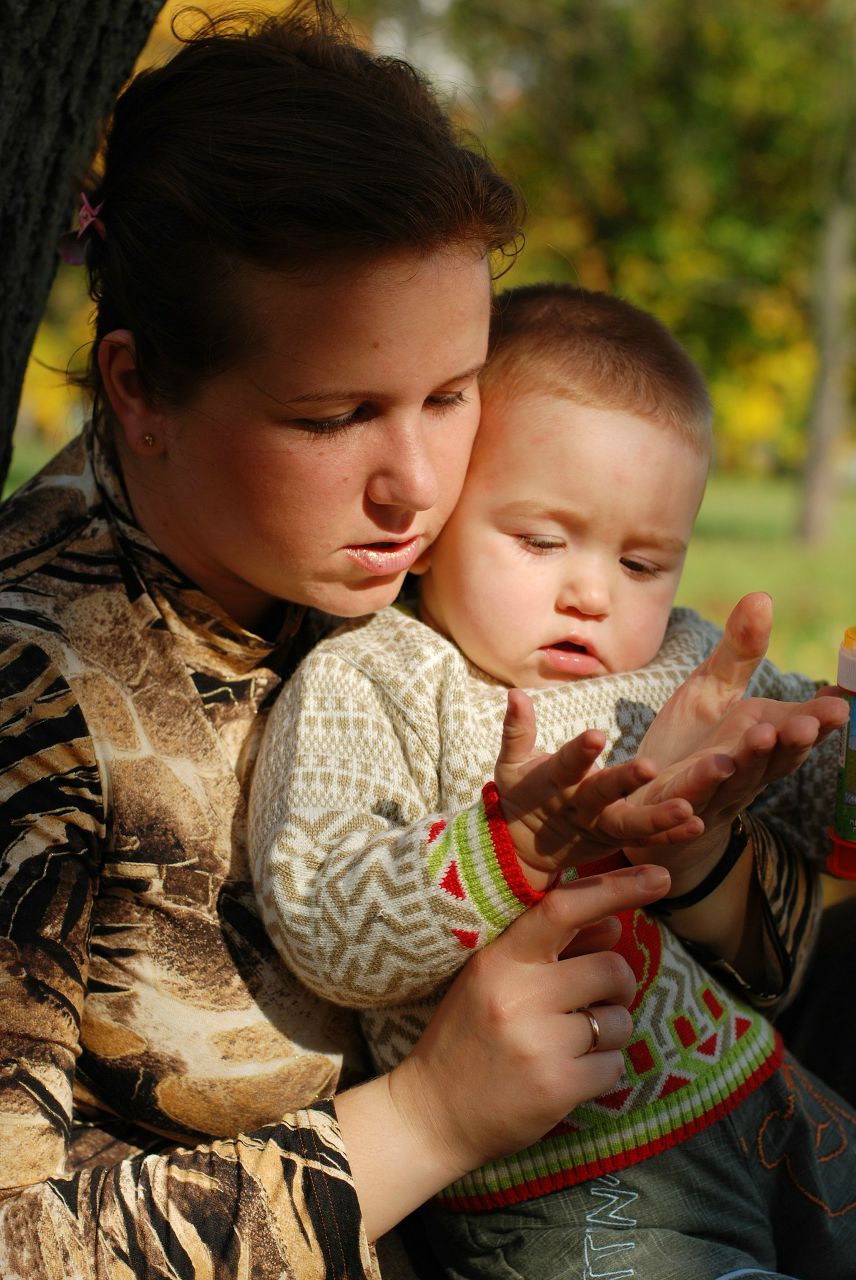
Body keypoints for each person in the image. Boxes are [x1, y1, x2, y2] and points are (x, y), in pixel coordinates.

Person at [0, 6, 844, 1277]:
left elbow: (780, 969)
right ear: (136, 387)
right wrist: (425, 1118)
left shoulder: (471, 570)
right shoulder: (34, 691)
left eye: (451, 394)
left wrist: (695, 843)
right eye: (334, 415)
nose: (417, 486)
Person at [249, 284, 854, 1279]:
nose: (592, 590)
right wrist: (509, 849)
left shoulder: (673, 660)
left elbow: (803, 767)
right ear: (438, 519)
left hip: (762, 1089)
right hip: (570, 1182)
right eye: (539, 539)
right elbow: (324, 922)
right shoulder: (379, 680)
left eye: (645, 558)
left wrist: (815, 746)